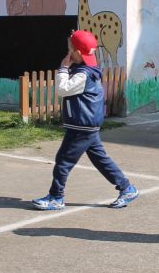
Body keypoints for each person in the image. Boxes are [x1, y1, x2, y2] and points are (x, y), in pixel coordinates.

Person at [31, 30, 139, 210]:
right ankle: (127, 188)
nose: (68, 54)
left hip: (81, 126)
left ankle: (56, 197)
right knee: (100, 160)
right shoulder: (86, 69)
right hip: (87, 125)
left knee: (63, 161)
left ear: (78, 54)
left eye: (70, 50)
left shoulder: (83, 75)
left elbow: (62, 89)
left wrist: (63, 68)